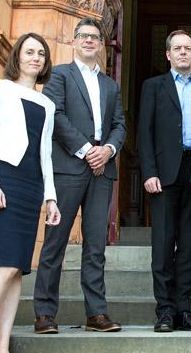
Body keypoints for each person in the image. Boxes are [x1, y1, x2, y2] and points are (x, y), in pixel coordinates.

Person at [0, 32, 61, 353]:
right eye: (29, 52)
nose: (35, 58)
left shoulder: (47, 104)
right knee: (3, 266)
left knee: (18, 269)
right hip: (3, 181)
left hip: (31, 186)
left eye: (41, 53)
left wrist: (50, 197)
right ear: (17, 57)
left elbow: (44, 153)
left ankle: (2, 346)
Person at [33, 17, 127, 334]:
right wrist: (87, 149)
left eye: (95, 37)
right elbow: (54, 115)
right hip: (69, 168)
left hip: (103, 171)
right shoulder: (59, 75)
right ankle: (45, 314)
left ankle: (96, 313)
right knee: (55, 243)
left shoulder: (110, 85)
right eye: (83, 36)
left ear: (101, 44)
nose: (89, 41)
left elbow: (120, 125)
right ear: (74, 41)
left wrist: (108, 150)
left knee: (96, 245)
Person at [138, 30, 191, 332]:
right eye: (177, 48)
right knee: (164, 243)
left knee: (190, 244)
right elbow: (144, 132)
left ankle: (184, 310)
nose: (182, 52)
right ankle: (165, 311)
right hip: (163, 174)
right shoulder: (153, 87)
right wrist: (149, 172)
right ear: (168, 54)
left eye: (188, 48)